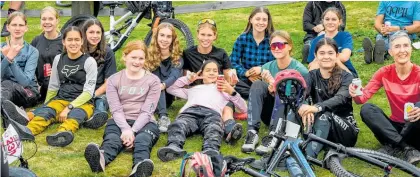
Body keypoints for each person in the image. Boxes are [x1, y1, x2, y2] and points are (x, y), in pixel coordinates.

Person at [4, 26, 98, 147]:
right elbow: (53, 86)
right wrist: (46, 104)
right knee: (46, 112)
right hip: (61, 98)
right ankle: (27, 131)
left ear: (82, 41)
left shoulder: (89, 62)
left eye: (76, 40)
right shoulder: (59, 59)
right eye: (69, 40)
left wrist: (69, 107)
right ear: (64, 42)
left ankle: (63, 134)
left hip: (83, 102)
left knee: (76, 115)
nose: (73, 43)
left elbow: (89, 92)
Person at [84, 40, 160, 177]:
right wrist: (125, 129)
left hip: (146, 122)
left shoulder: (153, 81)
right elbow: (116, 109)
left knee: (143, 140)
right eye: (133, 57)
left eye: (141, 58)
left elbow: (147, 111)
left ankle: (139, 167)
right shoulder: (114, 80)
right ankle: (100, 160)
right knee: (112, 139)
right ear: (125, 57)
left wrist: (133, 131)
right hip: (119, 120)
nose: (137, 62)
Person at [351, 31, 420, 164]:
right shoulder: (384, 72)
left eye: (406, 46)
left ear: (411, 49)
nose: (402, 50)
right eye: (397, 46)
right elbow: (361, 100)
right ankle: (405, 147)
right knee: (367, 109)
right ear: (390, 51)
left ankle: (393, 146)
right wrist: (356, 93)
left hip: (415, 128)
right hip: (393, 128)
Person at [157, 60, 247, 162]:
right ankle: (174, 147)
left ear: (219, 74)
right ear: (201, 73)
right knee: (178, 124)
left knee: (214, 128)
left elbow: (244, 108)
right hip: (190, 113)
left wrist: (232, 92)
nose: (212, 73)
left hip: (212, 114)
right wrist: (188, 79)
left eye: (215, 71)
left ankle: (210, 150)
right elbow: (171, 89)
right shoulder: (193, 88)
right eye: (208, 70)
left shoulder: (224, 90)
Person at [241, 30, 308, 155]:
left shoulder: (300, 70)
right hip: (270, 113)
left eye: (281, 45)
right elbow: (264, 91)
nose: (277, 48)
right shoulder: (267, 67)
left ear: (289, 46)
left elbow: (299, 99)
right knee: (257, 85)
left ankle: (274, 134)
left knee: (282, 87)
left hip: (289, 115)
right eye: (273, 46)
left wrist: (275, 85)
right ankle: (252, 132)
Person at [183, 18, 242, 144]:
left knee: (227, 106)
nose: (206, 38)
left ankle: (230, 128)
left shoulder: (220, 53)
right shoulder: (188, 53)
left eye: (209, 35)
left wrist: (232, 80)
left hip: (218, 89)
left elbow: (228, 74)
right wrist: (190, 77)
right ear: (197, 34)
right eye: (203, 34)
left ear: (215, 36)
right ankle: (224, 128)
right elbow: (185, 75)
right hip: (198, 91)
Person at [297, 37, 358, 158]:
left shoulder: (347, 77)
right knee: (298, 110)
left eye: (330, 53)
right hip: (319, 126)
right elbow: (300, 95)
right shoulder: (311, 75)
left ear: (336, 55)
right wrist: (304, 106)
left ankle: (307, 158)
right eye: (322, 53)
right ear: (315, 55)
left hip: (344, 130)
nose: (326, 57)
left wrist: (317, 107)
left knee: (325, 116)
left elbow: (340, 98)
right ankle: (286, 146)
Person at [230, 6, 275, 100]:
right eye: (257, 19)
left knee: (274, 85)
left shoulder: (273, 40)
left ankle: (258, 95)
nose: (261, 22)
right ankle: (257, 95)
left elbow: (278, 62)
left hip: (267, 78)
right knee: (232, 84)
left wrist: (262, 69)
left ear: (268, 22)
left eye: (264, 20)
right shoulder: (242, 39)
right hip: (246, 80)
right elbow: (233, 62)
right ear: (251, 20)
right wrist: (246, 73)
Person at [80, 18, 117, 129]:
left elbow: (109, 82)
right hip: (80, 88)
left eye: (98, 32)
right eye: (91, 32)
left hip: (99, 90)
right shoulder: (78, 50)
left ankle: (98, 116)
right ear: (84, 33)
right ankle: (85, 115)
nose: (95, 36)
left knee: (102, 99)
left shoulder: (108, 52)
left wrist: (93, 94)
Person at [147, 23, 183, 133]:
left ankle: (163, 117)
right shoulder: (148, 54)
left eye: (168, 36)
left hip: (166, 95)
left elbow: (174, 75)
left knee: (158, 83)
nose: (165, 39)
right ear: (156, 36)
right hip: (148, 93)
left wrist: (162, 85)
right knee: (153, 79)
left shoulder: (177, 57)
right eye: (162, 35)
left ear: (173, 39)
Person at [1, 12, 39, 108]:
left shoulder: (32, 51)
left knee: (7, 84)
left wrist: (10, 59)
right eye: (14, 25)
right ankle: (9, 109)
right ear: (8, 27)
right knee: (6, 86)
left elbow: (24, 82)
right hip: (5, 90)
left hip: (27, 92)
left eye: (21, 25)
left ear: (26, 28)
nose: (17, 28)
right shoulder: (1, 48)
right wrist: (7, 58)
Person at [307, 7, 357, 78]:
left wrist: (323, 57)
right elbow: (311, 65)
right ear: (323, 21)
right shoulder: (316, 41)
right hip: (323, 72)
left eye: (334, 19)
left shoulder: (345, 36)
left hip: (344, 70)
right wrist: (333, 56)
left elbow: (345, 57)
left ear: (339, 22)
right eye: (327, 19)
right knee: (313, 69)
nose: (330, 22)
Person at [31, 6, 63, 102]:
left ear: (57, 21)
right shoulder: (36, 40)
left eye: (50, 19)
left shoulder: (64, 41)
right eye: (44, 19)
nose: (47, 22)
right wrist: (35, 84)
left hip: (58, 85)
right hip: (39, 86)